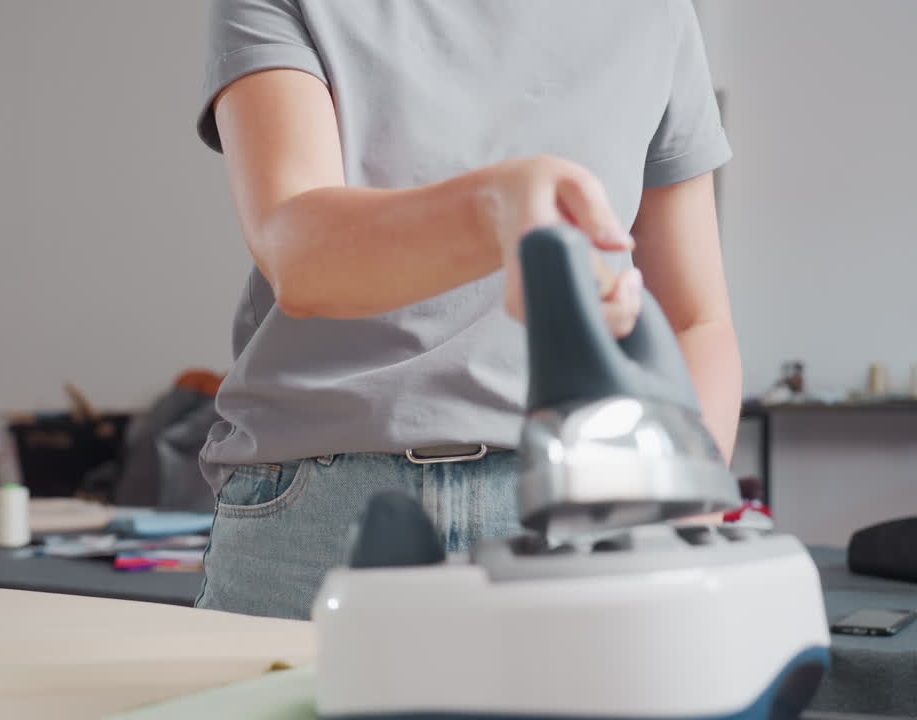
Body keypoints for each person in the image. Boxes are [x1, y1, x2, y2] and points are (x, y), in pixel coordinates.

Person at [193, 0, 740, 620]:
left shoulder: (655, 14)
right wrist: (495, 209)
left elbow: (697, 319)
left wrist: (685, 516)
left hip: (581, 508)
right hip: (314, 516)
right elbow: (300, 256)